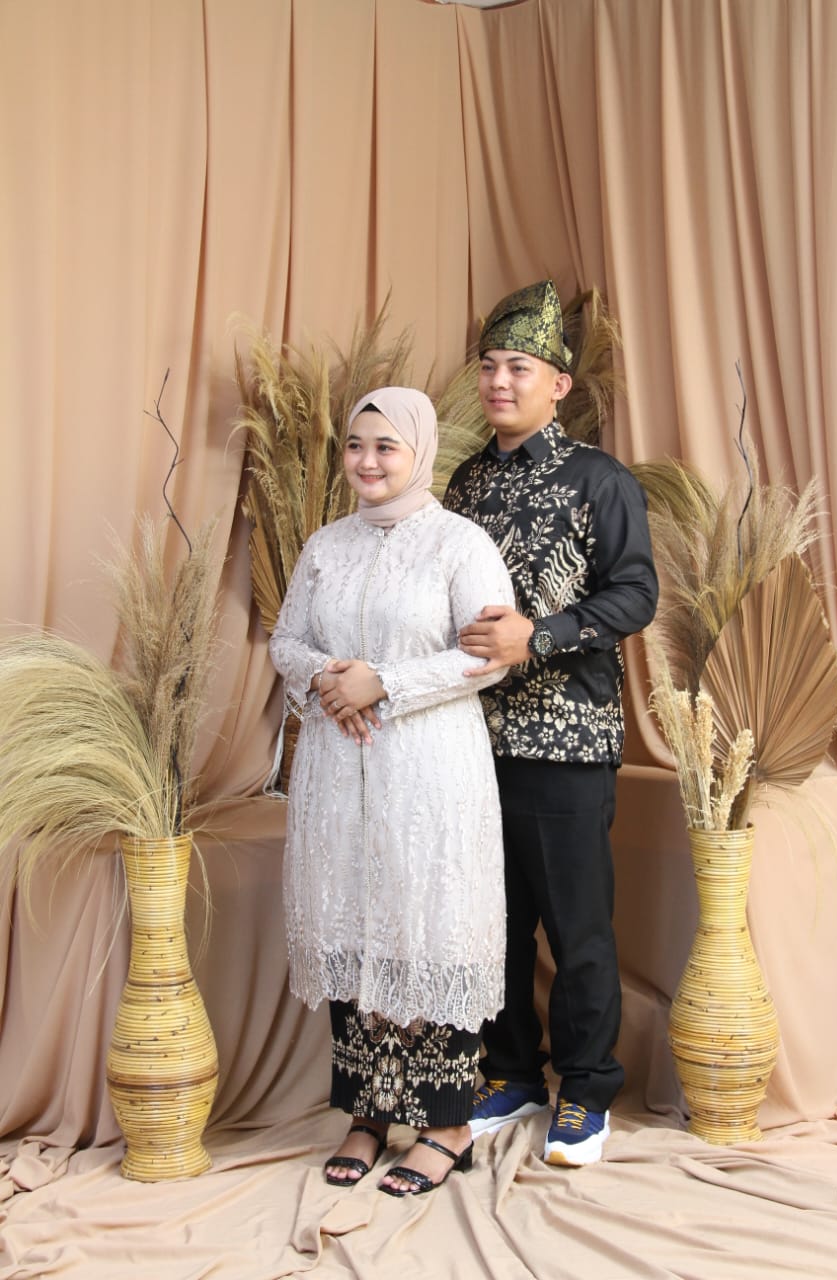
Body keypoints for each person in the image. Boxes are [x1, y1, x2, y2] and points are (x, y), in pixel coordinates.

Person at [269, 386, 515, 1197]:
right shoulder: (325, 545)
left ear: (420, 452)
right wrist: (328, 676)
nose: (366, 462)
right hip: (337, 767)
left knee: (427, 923)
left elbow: (486, 655)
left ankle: (445, 1125)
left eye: (385, 447)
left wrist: (384, 683)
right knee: (353, 920)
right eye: (354, 445)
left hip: (429, 772)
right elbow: (286, 640)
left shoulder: (459, 544)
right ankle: (368, 1113)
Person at [443, 280, 658, 1167]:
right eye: (489, 366)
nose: (499, 381)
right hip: (466, 739)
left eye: (519, 368)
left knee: (576, 928)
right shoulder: (464, 480)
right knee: (492, 922)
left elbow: (635, 593)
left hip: (564, 739)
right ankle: (511, 1073)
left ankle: (587, 1088)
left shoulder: (599, 479)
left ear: (558, 385)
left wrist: (540, 635)